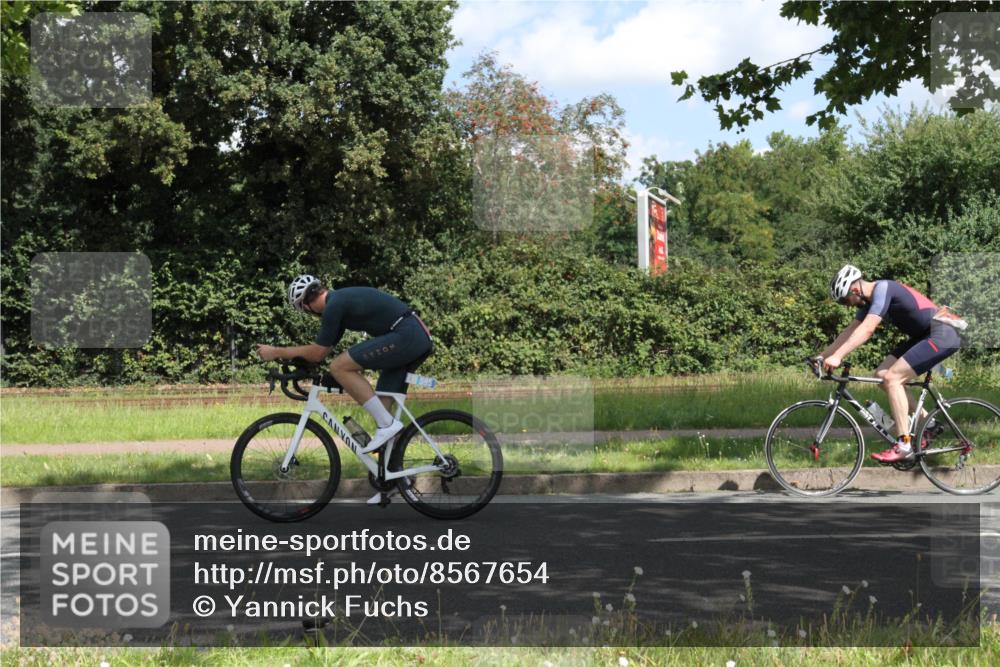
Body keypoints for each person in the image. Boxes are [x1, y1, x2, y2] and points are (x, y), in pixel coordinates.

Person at [256, 274, 433, 465]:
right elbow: (322, 352)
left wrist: (275, 352)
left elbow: (316, 353)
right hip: (412, 335)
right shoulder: (338, 303)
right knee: (382, 409)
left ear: (305, 306)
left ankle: (388, 425)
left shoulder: (334, 305)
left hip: (407, 335)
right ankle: (389, 483)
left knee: (339, 366)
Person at [819, 264, 963, 463]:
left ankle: (903, 445)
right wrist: (822, 356)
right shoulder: (870, 300)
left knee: (892, 378)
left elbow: (868, 329)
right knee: (881, 375)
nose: (848, 305)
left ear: (854, 290)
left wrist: (838, 357)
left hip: (942, 334)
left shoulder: (884, 289)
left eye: (845, 301)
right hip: (925, 335)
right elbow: (850, 331)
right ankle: (928, 424)